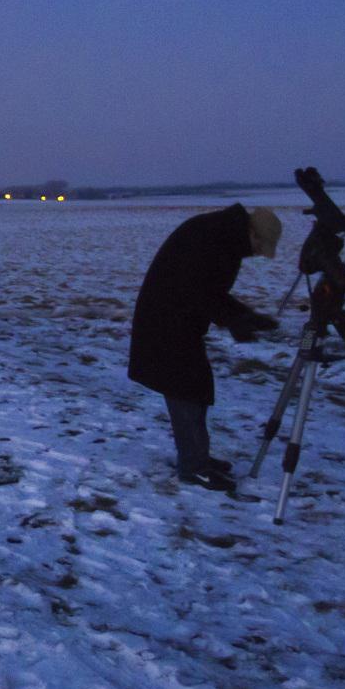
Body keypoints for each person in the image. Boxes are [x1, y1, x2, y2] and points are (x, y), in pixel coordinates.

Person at [128, 204, 282, 490]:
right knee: (185, 390)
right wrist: (235, 319)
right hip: (166, 323)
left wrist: (243, 316)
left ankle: (197, 457)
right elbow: (197, 290)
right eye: (259, 248)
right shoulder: (216, 239)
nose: (256, 254)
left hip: (177, 321)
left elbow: (208, 291)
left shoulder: (222, 235)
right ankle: (193, 467)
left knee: (194, 388)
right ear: (252, 233)